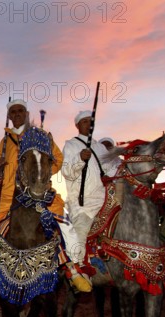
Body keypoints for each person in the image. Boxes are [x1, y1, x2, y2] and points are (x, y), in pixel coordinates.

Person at [0, 100, 91, 292]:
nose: (17, 114)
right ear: (9, 116)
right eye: (13, 112)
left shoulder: (41, 135)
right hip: (8, 194)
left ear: (26, 113)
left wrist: (43, 172)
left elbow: (57, 160)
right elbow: (2, 166)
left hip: (39, 192)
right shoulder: (5, 141)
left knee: (66, 224)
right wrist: (0, 167)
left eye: (20, 111)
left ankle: (74, 268)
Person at [61, 111, 117, 275]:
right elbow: (67, 172)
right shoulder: (71, 145)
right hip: (82, 203)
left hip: (105, 200)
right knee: (80, 233)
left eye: (90, 121)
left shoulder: (100, 147)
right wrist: (80, 159)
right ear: (77, 125)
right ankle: (78, 272)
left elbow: (112, 170)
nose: (88, 124)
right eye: (84, 122)